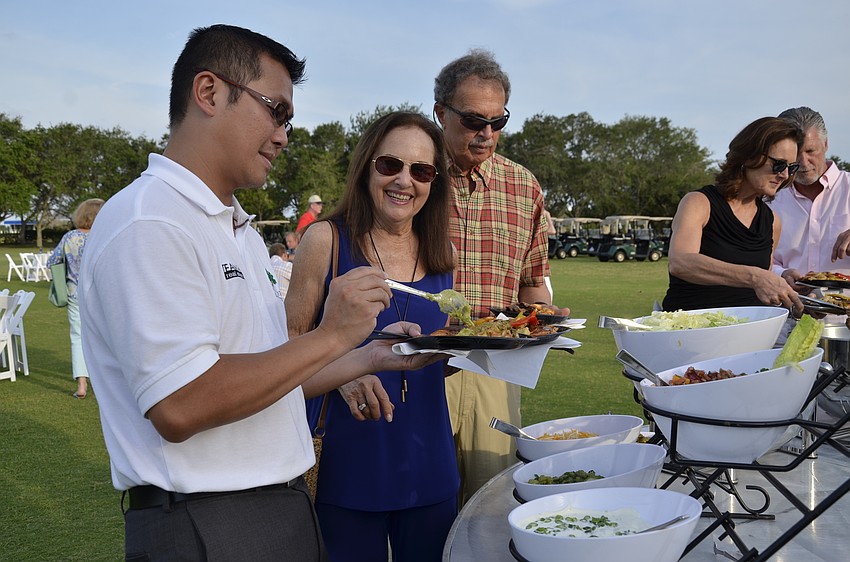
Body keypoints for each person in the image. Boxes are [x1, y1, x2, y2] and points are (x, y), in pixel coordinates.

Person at [78, 25, 439, 561]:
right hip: (209, 519)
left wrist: (369, 356)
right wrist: (333, 334)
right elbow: (181, 403)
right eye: (276, 110)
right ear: (209, 92)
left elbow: (270, 373)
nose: (283, 135)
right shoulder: (150, 221)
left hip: (272, 506)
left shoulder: (232, 226)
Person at [285, 111, 457, 562]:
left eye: (421, 171)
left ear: (434, 182)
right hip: (346, 467)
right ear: (367, 167)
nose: (404, 181)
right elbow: (288, 342)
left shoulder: (444, 253)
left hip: (429, 463)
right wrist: (344, 373)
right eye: (390, 165)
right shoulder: (325, 240)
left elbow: (437, 360)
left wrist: (476, 348)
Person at [432, 49, 569, 504]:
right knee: (420, 503)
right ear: (441, 113)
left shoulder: (524, 186)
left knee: (488, 502)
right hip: (423, 364)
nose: (486, 133)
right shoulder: (413, 176)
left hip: (496, 369)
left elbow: (533, 283)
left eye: (498, 121)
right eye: (474, 120)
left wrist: (545, 318)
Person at [662, 117, 804, 313]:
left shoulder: (772, 222)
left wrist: (787, 287)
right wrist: (754, 277)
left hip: (749, 328)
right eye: (779, 164)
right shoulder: (699, 203)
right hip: (691, 327)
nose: (785, 175)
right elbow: (681, 262)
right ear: (749, 156)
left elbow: (762, 283)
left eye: (792, 168)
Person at [769, 107, 850, 317]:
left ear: (826, 144)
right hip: (787, 321)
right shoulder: (768, 199)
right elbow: (760, 260)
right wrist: (781, 274)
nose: (803, 163)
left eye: (811, 151)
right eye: (795, 154)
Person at [46, 198, 104, 399]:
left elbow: (52, 261)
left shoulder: (70, 237)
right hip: (101, 293)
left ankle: (81, 385)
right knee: (105, 336)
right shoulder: (104, 235)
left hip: (74, 292)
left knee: (78, 337)